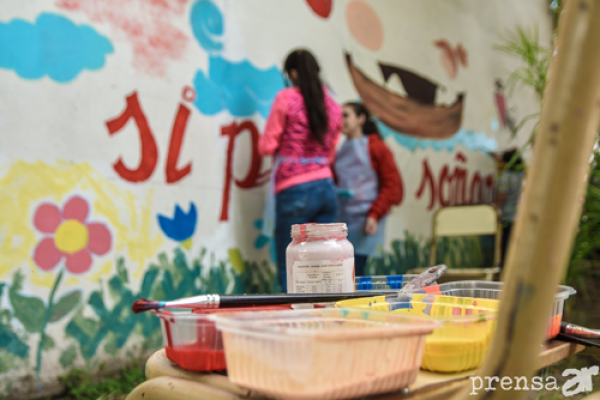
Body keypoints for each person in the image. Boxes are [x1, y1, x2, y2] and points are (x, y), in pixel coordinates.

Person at [258, 49, 343, 292]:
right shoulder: (334, 107)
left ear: (293, 73)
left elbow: (267, 146)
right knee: (325, 264)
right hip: (327, 188)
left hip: (294, 188)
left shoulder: (287, 98)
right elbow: (330, 154)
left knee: (292, 263)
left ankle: (293, 320)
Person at [334, 102, 403, 276]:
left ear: (361, 119)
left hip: (366, 220)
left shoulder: (377, 148)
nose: (341, 120)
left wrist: (374, 214)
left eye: (346, 115)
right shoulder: (339, 150)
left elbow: (391, 186)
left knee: (356, 271)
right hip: (343, 219)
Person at [495, 149, 525, 268]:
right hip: (520, 216)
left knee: (506, 247)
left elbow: (501, 196)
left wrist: (495, 211)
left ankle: (505, 272)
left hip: (507, 216)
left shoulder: (506, 177)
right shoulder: (522, 175)